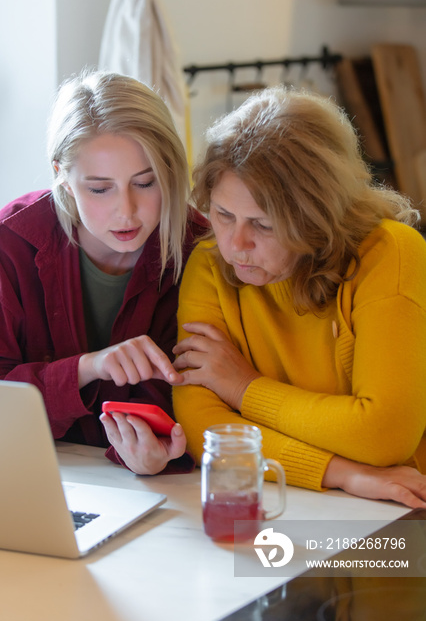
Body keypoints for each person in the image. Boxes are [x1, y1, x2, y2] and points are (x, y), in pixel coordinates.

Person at [172, 85, 426, 508]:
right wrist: (345, 473)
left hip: (400, 508)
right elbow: (206, 432)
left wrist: (244, 389)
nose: (236, 244)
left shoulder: (391, 253)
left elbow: (383, 435)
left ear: (317, 216)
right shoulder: (210, 264)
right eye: (223, 214)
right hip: (314, 495)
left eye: (263, 225)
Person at [0, 70, 208, 475]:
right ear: (63, 176)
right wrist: (87, 367)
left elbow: (205, 396)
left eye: (146, 183)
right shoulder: (12, 240)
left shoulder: (199, 245)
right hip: (23, 473)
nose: (126, 211)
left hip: (159, 489)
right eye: (99, 188)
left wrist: (153, 450)